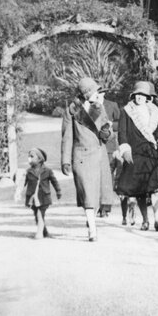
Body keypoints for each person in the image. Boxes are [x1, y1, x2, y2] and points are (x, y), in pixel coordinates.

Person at [60, 76, 118, 242]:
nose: (96, 94)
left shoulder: (99, 108)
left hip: (98, 155)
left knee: (97, 194)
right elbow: (67, 137)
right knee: (87, 193)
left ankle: (91, 219)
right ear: (85, 94)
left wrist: (107, 133)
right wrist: (65, 160)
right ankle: (92, 229)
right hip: (82, 156)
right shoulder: (72, 111)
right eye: (93, 91)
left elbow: (107, 131)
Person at [113, 80, 158, 232]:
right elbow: (122, 134)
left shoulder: (155, 111)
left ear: (148, 97)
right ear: (133, 96)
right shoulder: (126, 111)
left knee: (155, 188)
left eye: (143, 94)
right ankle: (145, 220)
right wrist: (125, 150)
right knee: (139, 190)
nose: (139, 97)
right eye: (137, 94)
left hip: (151, 153)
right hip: (135, 155)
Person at [19, 147, 61, 239]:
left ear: (39, 159)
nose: (29, 158)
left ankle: (39, 233)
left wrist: (58, 191)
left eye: (31, 156)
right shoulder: (28, 171)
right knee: (36, 214)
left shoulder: (48, 171)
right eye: (28, 156)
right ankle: (44, 231)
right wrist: (18, 192)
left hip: (43, 196)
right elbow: (22, 183)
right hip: (32, 198)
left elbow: (54, 181)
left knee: (40, 213)